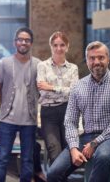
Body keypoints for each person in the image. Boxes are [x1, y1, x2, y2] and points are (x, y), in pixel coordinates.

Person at [47, 41, 110, 182]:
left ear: (108, 58)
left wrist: (95, 143)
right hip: (85, 138)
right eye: (92, 58)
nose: (96, 62)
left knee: (102, 155)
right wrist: (74, 148)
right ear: (87, 61)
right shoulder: (78, 87)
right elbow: (70, 121)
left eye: (101, 57)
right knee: (53, 173)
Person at [0, 27, 41, 182]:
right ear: (15, 42)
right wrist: (6, 104)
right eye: (20, 39)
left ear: (31, 43)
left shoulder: (38, 64)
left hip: (29, 121)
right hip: (7, 120)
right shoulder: (4, 63)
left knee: (28, 160)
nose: (23, 42)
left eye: (27, 40)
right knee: (3, 159)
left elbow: (41, 89)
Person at [37, 31, 79, 165]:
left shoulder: (73, 68)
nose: (59, 48)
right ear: (51, 46)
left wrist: (52, 87)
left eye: (62, 45)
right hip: (48, 113)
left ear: (67, 46)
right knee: (54, 151)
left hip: (67, 111)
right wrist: (63, 90)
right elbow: (43, 92)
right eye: (55, 45)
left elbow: (74, 92)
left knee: (68, 152)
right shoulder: (42, 66)